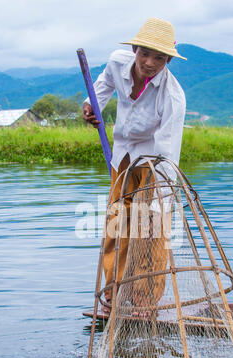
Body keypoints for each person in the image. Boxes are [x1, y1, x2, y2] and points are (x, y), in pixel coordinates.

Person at [83, 17, 187, 315]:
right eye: (145, 53)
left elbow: (169, 153)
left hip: (153, 164)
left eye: (159, 57)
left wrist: (160, 206)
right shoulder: (118, 62)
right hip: (122, 157)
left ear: (168, 60)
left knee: (151, 232)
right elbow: (100, 88)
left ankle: (144, 300)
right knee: (117, 225)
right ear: (134, 49)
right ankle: (114, 292)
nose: (150, 63)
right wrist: (91, 108)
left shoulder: (172, 96)